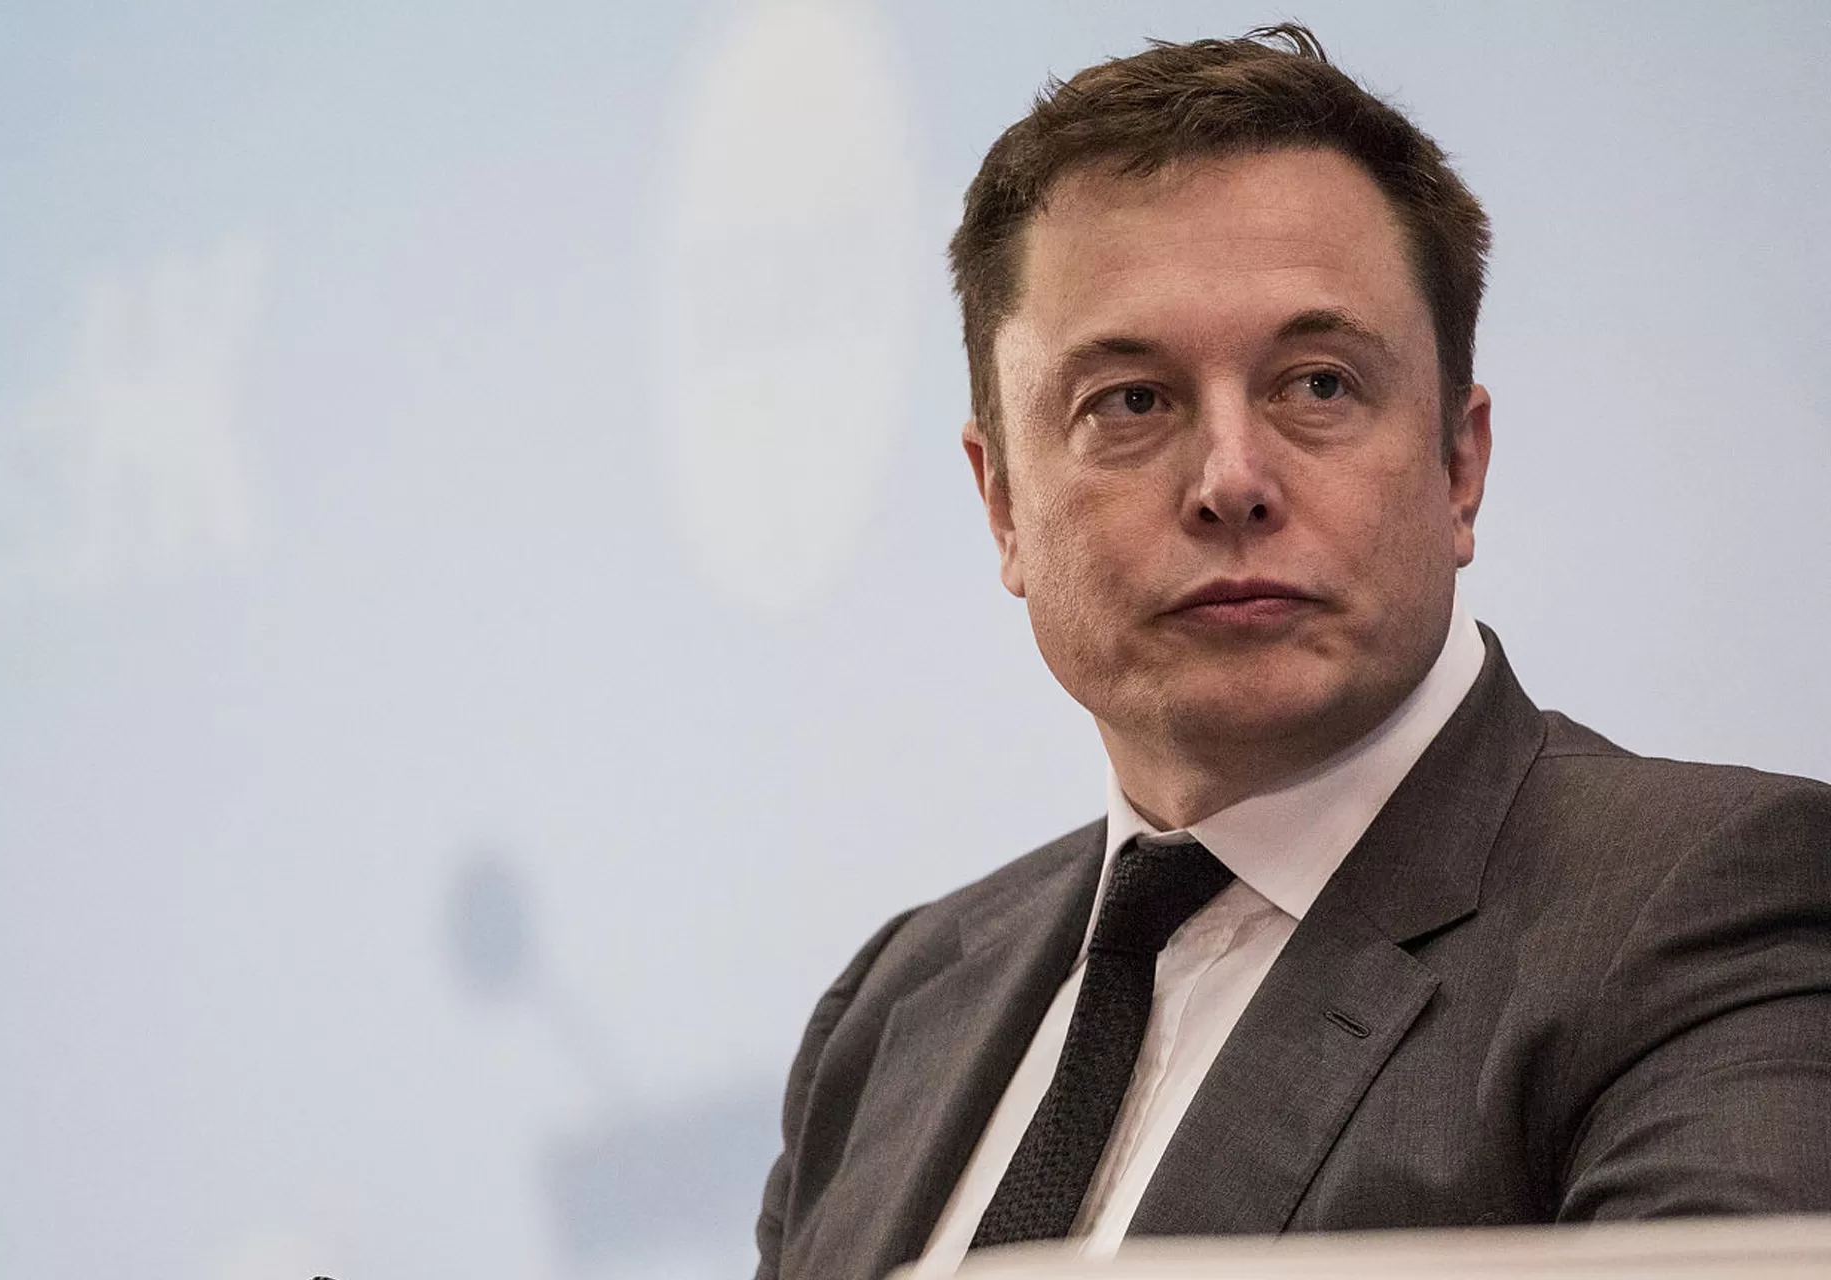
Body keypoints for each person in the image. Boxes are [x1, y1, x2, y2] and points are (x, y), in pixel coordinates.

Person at [752, 25, 1831, 1280]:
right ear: (1002, 505)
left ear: (1459, 464)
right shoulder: (894, 1012)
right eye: (1130, 401)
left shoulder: (1703, 910)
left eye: (1318, 385)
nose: (1232, 479)